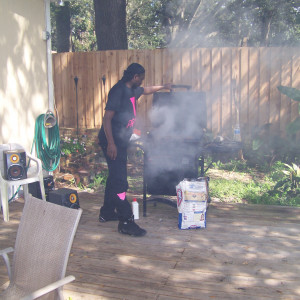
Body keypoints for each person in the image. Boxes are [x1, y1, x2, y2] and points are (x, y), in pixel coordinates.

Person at [98, 63, 171, 237]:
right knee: (120, 182)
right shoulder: (118, 91)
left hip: (120, 140)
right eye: (141, 77)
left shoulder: (133, 89)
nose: (142, 81)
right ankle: (126, 221)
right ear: (135, 77)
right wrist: (111, 143)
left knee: (114, 176)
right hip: (112, 141)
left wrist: (163, 87)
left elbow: (146, 90)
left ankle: (107, 212)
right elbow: (107, 119)